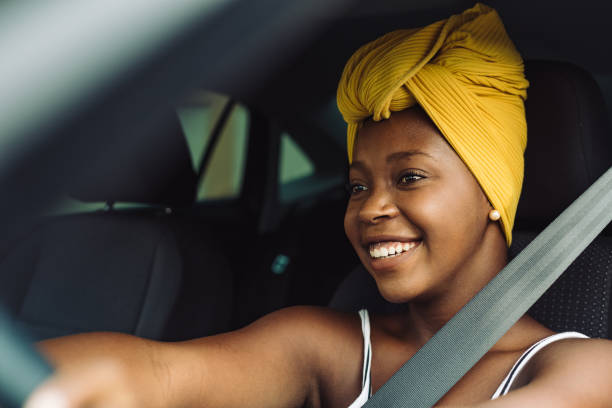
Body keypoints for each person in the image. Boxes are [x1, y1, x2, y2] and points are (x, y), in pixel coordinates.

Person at [25, 3, 612, 407]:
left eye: (409, 177)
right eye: (358, 186)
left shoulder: (580, 368)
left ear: (491, 193)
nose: (371, 208)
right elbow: (160, 375)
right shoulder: (324, 344)